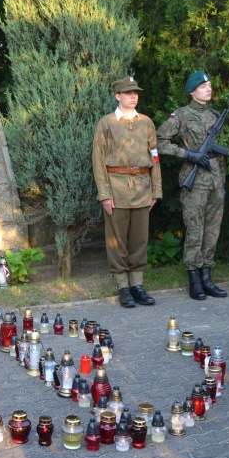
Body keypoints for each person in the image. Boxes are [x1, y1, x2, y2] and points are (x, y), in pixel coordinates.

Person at [156, 71, 228, 300]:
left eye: (209, 85)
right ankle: (194, 280)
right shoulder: (181, 115)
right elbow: (159, 141)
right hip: (195, 182)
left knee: (212, 231)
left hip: (216, 181)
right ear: (192, 91)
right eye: (203, 86)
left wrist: (223, 181)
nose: (208, 88)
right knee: (195, 231)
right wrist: (188, 154)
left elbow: (222, 154)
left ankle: (207, 277)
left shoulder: (216, 115)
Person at [92, 77, 162, 307]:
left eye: (136, 92)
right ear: (117, 95)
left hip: (142, 188)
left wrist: (156, 190)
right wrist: (105, 194)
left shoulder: (147, 123)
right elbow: (98, 160)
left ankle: (138, 286)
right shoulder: (107, 123)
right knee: (117, 241)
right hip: (117, 188)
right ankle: (124, 287)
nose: (133, 96)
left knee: (139, 240)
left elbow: (155, 157)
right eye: (128, 92)